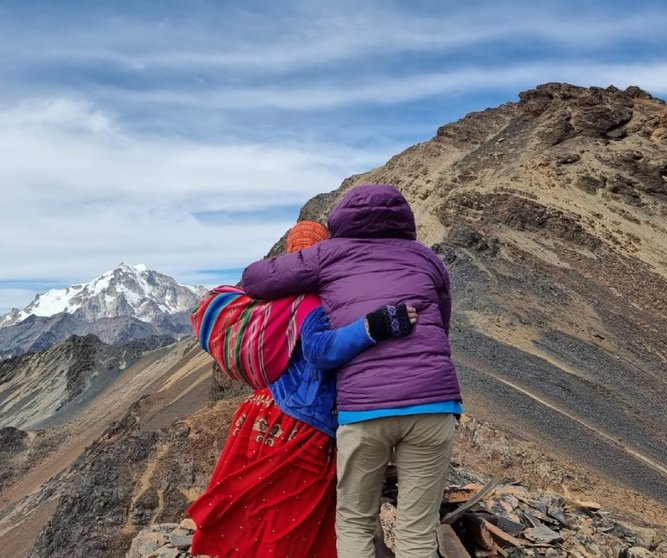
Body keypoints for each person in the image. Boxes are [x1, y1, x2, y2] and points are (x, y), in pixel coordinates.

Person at [241, 185, 462, 558]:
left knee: (356, 521)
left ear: (342, 219)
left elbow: (255, 279)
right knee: (417, 529)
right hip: (434, 404)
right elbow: (442, 322)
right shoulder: (426, 259)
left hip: (365, 410)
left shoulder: (329, 254)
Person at [188, 220, 416, 558]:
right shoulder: (318, 301)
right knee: (288, 514)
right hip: (301, 422)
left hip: (258, 412)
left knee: (251, 504)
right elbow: (321, 353)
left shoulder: (273, 300)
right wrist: (375, 327)